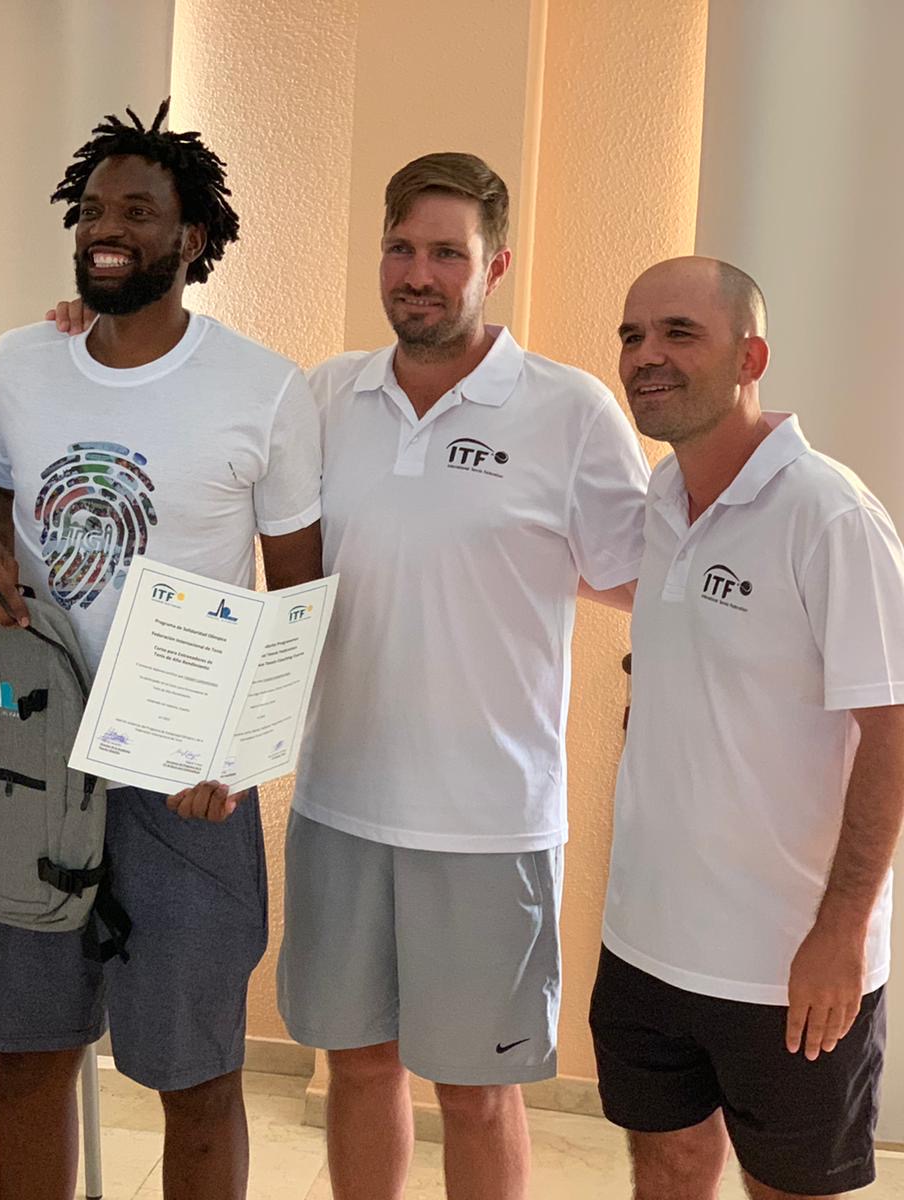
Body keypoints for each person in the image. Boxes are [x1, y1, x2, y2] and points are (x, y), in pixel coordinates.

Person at [0, 100, 323, 1200]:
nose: (106, 228)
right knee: (26, 1058)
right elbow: (5, 504)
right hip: (30, 761)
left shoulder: (264, 388)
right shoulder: (20, 362)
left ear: (191, 238)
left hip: (184, 782)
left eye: (138, 211)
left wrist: (240, 753)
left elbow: (297, 602)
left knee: (194, 1073)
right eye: (92, 209)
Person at [277, 153, 650, 1200]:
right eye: (401, 248)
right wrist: (91, 332)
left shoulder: (569, 410)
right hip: (340, 803)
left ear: (496, 267)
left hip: (489, 823)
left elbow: (639, 576)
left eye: (448, 253)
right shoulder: (326, 394)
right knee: (358, 1067)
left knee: (477, 1095)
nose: (418, 273)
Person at [592, 256, 904, 1200]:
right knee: (667, 1166)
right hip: (646, 943)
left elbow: (893, 733)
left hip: (788, 967)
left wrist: (841, 930)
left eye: (679, 333)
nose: (645, 355)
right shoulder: (660, 497)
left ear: (750, 357)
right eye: (632, 335)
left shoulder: (830, 515)